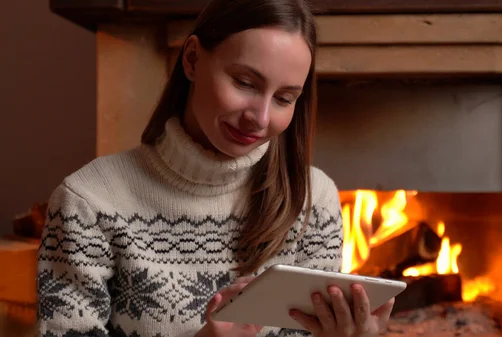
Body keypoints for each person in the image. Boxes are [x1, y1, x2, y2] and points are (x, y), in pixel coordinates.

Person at [36, 0, 395, 336]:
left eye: (284, 98)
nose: (260, 118)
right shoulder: (88, 202)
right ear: (191, 59)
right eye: (244, 83)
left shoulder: (314, 200)